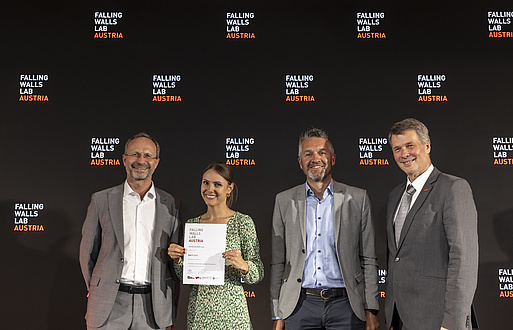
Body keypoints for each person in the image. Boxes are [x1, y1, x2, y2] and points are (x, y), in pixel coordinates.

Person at [270, 128, 380, 330]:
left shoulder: (358, 199)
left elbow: (369, 259)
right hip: (299, 307)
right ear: (300, 162)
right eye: (308, 154)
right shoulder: (284, 201)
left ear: (333, 158)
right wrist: (278, 312)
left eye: (322, 152)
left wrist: (371, 308)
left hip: (346, 306)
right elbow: (278, 263)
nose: (315, 158)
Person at [79, 132, 180, 330]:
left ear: (156, 162)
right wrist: (98, 288)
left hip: (153, 309)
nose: (141, 161)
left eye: (147, 155)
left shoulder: (170, 204)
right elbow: (87, 253)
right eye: (135, 154)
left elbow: (173, 260)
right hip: (108, 305)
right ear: (124, 159)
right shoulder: (101, 200)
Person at [385, 118, 478, 330]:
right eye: (397, 148)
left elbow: (464, 260)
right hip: (400, 318)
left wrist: (453, 322)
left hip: (438, 319)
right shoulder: (394, 196)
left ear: (427, 146)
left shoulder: (453, 188)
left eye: (410, 145)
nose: (404, 154)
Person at [168, 162, 264, 330]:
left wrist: (244, 266)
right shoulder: (193, 224)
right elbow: (186, 277)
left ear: (229, 188)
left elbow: (258, 273)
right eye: (205, 182)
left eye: (217, 184)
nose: (209, 189)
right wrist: (178, 260)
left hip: (232, 313)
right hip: (199, 312)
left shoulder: (242, 222)